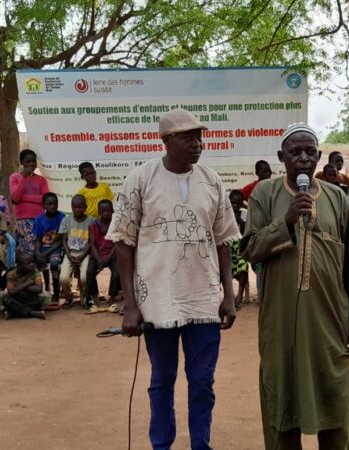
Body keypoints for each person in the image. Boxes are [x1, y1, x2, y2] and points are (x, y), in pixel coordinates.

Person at [110, 109, 239, 450]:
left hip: (203, 300)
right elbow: (123, 243)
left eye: (200, 136)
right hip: (158, 302)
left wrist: (228, 295)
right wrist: (130, 306)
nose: (197, 143)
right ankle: (161, 445)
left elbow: (224, 240)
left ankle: (201, 446)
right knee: (162, 381)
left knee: (202, 383)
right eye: (187, 137)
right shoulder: (140, 179)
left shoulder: (211, 181)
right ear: (166, 141)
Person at [241, 121, 349, 449]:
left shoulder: (338, 198)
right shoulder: (265, 194)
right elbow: (250, 248)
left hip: (329, 325)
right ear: (282, 156)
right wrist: (286, 222)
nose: (304, 158)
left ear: (320, 155)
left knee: (334, 408)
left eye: (310, 151)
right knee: (281, 406)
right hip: (279, 326)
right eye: (295, 152)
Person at [10, 149, 49, 254]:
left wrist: (24, 198)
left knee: (39, 248)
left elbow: (45, 200)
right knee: (26, 251)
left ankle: (40, 269)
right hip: (22, 221)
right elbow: (15, 197)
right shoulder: (15, 177)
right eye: (28, 162)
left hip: (39, 219)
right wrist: (23, 178)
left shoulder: (41, 180)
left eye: (33, 161)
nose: (31, 164)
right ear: (22, 163)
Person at [59, 194, 93, 308]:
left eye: (80, 207)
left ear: (85, 207)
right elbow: (64, 240)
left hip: (85, 253)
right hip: (70, 253)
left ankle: (87, 297)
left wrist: (82, 256)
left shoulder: (91, 221)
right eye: (74, 207)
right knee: (63, 278)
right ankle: (69, 298)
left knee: (84, 278)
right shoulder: (66, 220)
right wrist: (69, 255)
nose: (77, 210)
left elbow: (91, 242)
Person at [0, 252, 49, 320]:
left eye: (32, 262)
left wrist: (18, 286)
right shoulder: (11, 273)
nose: (32, 264)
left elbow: (39, 289)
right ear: (19, 265)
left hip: (30, 297)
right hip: (17, 298)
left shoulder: (35, 272)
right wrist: (28, 283)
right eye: (28, 263)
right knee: (4, 298)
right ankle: (33, 313)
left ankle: (14, 312)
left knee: (46, 297)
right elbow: (11, 291)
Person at [85, 199, 120, 305]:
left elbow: (116, 245)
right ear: (99, 212)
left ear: (112, 211)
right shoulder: (94, 225)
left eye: (108, 211)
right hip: (97, 255)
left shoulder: (116, 225)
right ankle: (94, 295)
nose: (106, 213)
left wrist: (108, 258)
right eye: (103, 211)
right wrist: (98, 258)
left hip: (111, 255)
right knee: (89, 272)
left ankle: (112, 296)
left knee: (117, 272)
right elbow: (92, 244)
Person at [33, 192, 65, 305]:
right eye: (49, 204)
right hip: (42, 248)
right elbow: (38, 239)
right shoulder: (39, 219)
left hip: (55, 248)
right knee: (36, 261)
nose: (53, 206)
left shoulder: (62, 218)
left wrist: (46, 253)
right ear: (44, 205)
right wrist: (37, 252)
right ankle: (46, 288)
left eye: (55, 204)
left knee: (54, 263)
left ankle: (56, 291)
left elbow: (60, 241)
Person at [228, 190, 250, 308]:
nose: (235, 206)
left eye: (238, 204)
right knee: (228, 270)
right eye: (232, 203)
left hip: (241, 244)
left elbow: (247, 230)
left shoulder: (244, 213)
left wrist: (240, 221)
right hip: (229, 245)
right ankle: (230, 296)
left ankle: (240, 294)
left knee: (242, 268)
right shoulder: (225, 213)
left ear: (241, 203)